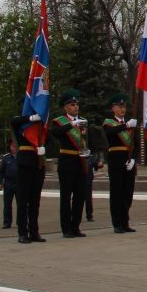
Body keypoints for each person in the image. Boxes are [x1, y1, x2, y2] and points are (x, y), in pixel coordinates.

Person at [49, 89, 89, 238]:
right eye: (72, 105)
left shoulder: (83, 121)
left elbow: (86, 140)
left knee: (80, 195)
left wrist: (88, 151)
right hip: (67, 161)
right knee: (66, 196)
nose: (75, 107)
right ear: (65, 107)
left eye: (76, 104)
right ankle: (66, 228)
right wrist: (71, 125)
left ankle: (76, 226)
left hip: (80, 161)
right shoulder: (60, 121)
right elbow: (56, 133)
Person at [9, 111, 46, 243]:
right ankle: (23, 233)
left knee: (35, 201)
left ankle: (34, 231)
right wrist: (29, 118)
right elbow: (13, 122)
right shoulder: (21, 121)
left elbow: (49, 138)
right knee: (23, 200)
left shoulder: (40, 122)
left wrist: (44, 148)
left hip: (38, 162)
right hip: (25, 162)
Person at [104, 93, 139, 233]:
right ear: (113, 108)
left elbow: (135, 144)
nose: (122, 109)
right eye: (119, 107)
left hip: (128, 161)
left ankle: (125, 222)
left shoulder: (131, 124)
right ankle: (117, 223)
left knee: (127, 193)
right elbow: (110, 133)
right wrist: (125, 126)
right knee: (116, 193)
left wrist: (134, 159)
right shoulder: (109, 122)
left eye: (124, 106)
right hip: (116, 161)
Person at [0, 141, 19, 228]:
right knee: (7, 204)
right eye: (12, 146)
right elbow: (1, 172)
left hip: (19, 184)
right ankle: (7, 222)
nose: (14, 148)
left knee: (21, 204)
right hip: (8, 184)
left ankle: (20, 222)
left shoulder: (21, 156)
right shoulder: (6, 158)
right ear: (10, 147)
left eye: (15, 146)